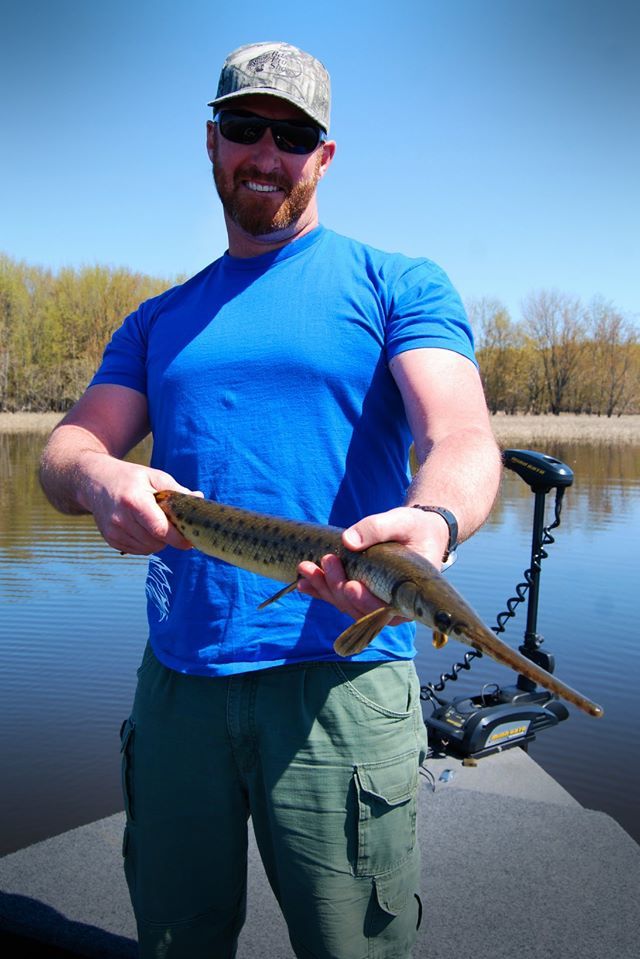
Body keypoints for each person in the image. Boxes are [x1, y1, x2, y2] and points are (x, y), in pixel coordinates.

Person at [39, 40, 502, 959]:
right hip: (179, 684)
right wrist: (100, 477)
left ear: (324, 156)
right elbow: (65, 449)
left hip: (342, 683)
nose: (266, 152)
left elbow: (460, 435)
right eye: (246, 126)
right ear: (211, 141)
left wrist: (435, 519)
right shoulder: (158, 319)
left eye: (292, 136)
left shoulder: (396, 283)